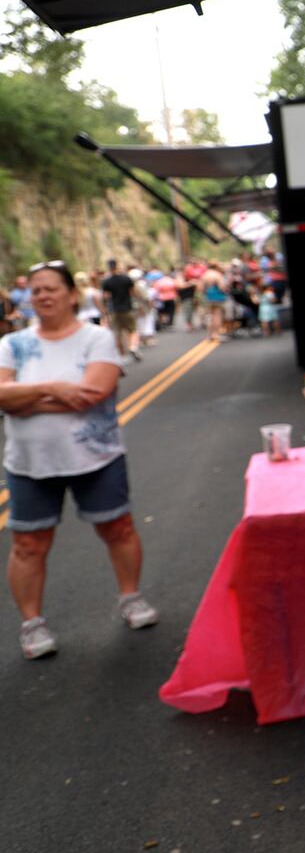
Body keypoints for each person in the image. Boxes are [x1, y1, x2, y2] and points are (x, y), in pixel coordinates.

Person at [0, 260, 158, 659]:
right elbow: (2, 397)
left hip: (96, 456)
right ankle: (32, 624)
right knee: (28, 544)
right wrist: (55, 387)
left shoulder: (97, 338)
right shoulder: (11, 344)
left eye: (52, 288)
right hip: (29, 462)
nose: (43, 295)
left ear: (73, 294)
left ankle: (130, 597)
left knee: (118, 528)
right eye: (36, 290)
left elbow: (95, 393)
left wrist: (25, 400)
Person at [99, 259, 140, 361]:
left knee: (117, 332)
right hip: (127, 308)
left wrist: (105, 310)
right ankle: (133, 347)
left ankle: (121, 355)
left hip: (114, 310)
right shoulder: (126, 278)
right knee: (132, 330)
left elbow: (105, 296)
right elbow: (134, 292)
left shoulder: (106, 281)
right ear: (117, 266)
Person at [200, 261, 228, 341]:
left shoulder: (205, 275)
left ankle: (209, 335)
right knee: (217, 315)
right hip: (217, 297)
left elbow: (200, 288)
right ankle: (217, 334)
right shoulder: (217, 274)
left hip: (208, 297)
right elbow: (222, 287)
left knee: (209, 316)